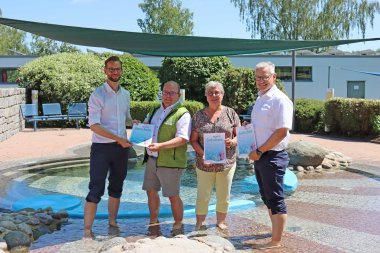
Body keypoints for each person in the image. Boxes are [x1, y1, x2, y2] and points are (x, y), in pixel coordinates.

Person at [84, 56, 137, 238]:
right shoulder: (97, 95)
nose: (114, 72)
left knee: (116, 186)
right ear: (105, 70)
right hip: (101, 148)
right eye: (111, 69)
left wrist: (134, 122)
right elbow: (94, 125)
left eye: (117, 69)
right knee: (96, 188)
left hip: (121, 149)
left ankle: (112, 222)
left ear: (121, 71)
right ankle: (87, 231)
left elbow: (125, 118)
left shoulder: (126, 94)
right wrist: (118, 138)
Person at [248, 61, 293, 249]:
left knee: (275, 199)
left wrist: (259, 151)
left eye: (265, 77)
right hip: (261, 156)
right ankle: (275, 232)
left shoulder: (280, 100)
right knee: (267, 197)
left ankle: (275, 242)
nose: (261, 81)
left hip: (271, 156)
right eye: (258, 77)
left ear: (274, 77)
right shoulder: (261, 98)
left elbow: (282, 131)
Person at [190, 81, 241, 230]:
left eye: (217, 92)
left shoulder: (231, 113)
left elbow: (240, 136)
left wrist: (232, 141)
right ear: (206, 96)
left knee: (224, 195)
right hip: (204, 163)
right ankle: (200, 222)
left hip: (227, 163)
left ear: (222, 94)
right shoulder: (198, 116)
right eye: (210, 93)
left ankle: (221, 221)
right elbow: (193, 140)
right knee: (202, 195)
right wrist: (203, 154)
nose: (214, 95)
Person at [142, 81, 191, 233]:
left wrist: (161, 146)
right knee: (150, 191)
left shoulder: (183, 113)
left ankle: (178, 223)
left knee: (172, 195)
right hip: (152, 159)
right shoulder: (154, 110)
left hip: (170, 161)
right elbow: (146, 127)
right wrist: (139, 125)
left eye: (172, 93)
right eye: (165, 92)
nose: (168, 96)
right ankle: (153, 220)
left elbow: (183, 138)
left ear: (178, 95)